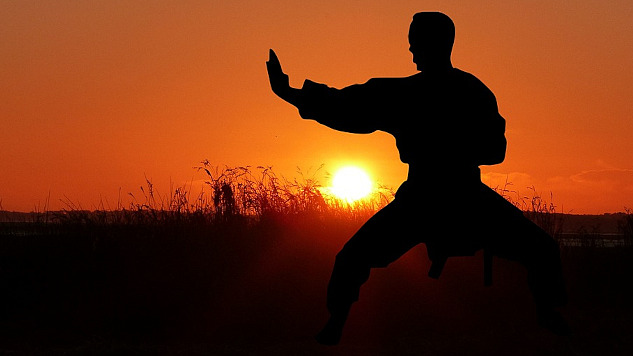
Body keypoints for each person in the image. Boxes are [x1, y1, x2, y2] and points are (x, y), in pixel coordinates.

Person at [267, 12, 568, 345]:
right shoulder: (441, 91)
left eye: (415, 41)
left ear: (434, 43)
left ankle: (546, 310)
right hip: (434, 197)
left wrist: (290, 93)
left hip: (455, 197)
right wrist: (291, 92)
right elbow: (345, 104)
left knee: (543, 249)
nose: (410, 48)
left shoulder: (445, 92)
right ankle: (336, 322)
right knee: (351, 258)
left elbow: (496, 150)